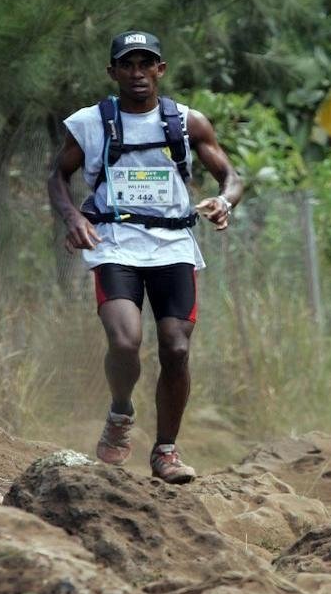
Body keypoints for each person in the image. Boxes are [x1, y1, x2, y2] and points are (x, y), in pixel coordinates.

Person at [47, 30, 242, 484]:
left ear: (160, 69)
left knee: (176, 348)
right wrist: (73, 217)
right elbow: (57, 175)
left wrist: (225, 202)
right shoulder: (91, 123)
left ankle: (166, 451)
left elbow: (229, 175)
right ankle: (120, 411)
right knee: (125, 341)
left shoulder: (187, 123)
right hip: (114, 243)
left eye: (145, 63)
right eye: (127, 64)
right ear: (113, 72)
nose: (137, 73)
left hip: (173, 246)